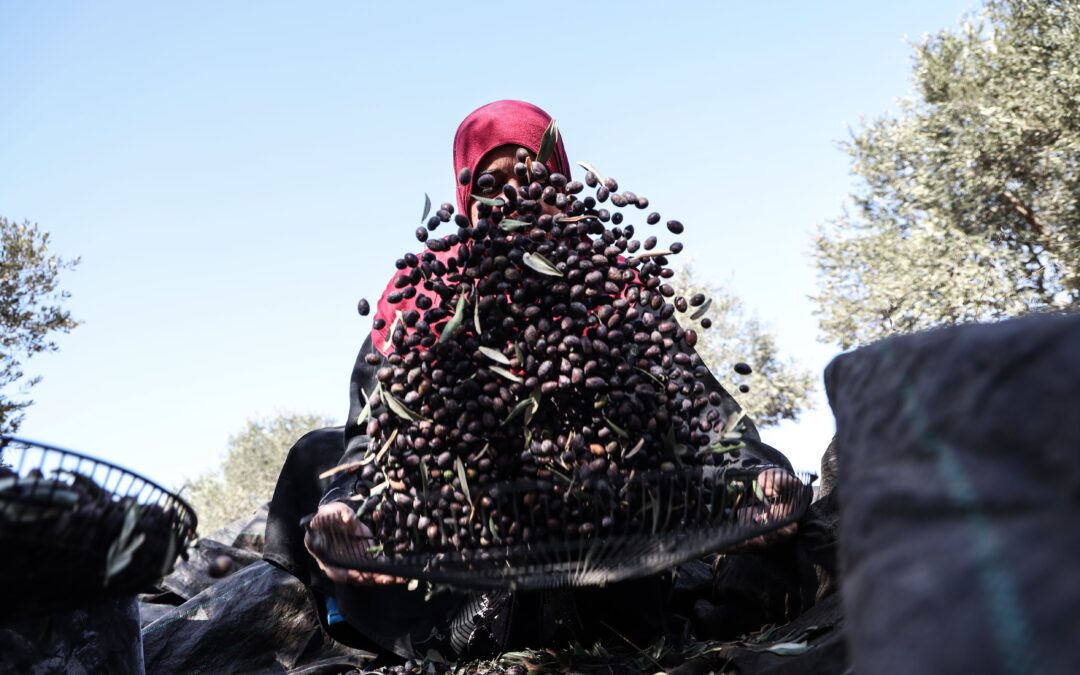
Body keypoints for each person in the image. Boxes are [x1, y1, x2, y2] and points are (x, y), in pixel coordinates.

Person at [264, 100, 800, 661]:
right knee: (313, 458)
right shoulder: (420, 297)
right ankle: (370, 631)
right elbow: (371, 437)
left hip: (601, 557)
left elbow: (703, 414)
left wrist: (754, 479)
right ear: (467, 199)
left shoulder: (617, 290)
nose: (511, 198)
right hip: (462, 571)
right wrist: (347, 508)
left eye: (529, 175)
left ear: (561, 182)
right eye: (490, 183)